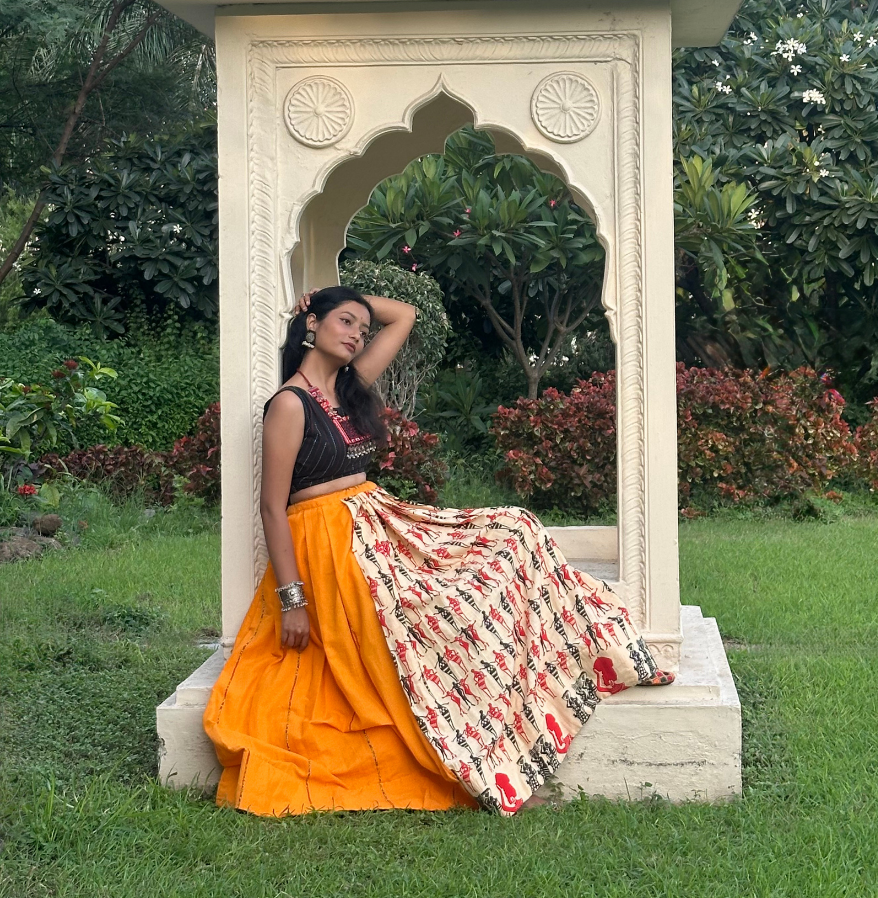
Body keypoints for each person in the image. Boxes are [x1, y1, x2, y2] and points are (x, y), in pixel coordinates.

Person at [204, 285, 674, 817]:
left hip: (376, 521)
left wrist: (344, 300)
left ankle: (585, 661)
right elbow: (272, 507)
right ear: (311, 324)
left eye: (363, 328)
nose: (357, 334)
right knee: (434, 616)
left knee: (516, 529)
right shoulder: (290, 404)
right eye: (345, 321)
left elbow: (404, 314)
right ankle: (469, 747)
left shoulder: (349, 386)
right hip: (328, 544)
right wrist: (293, 600)